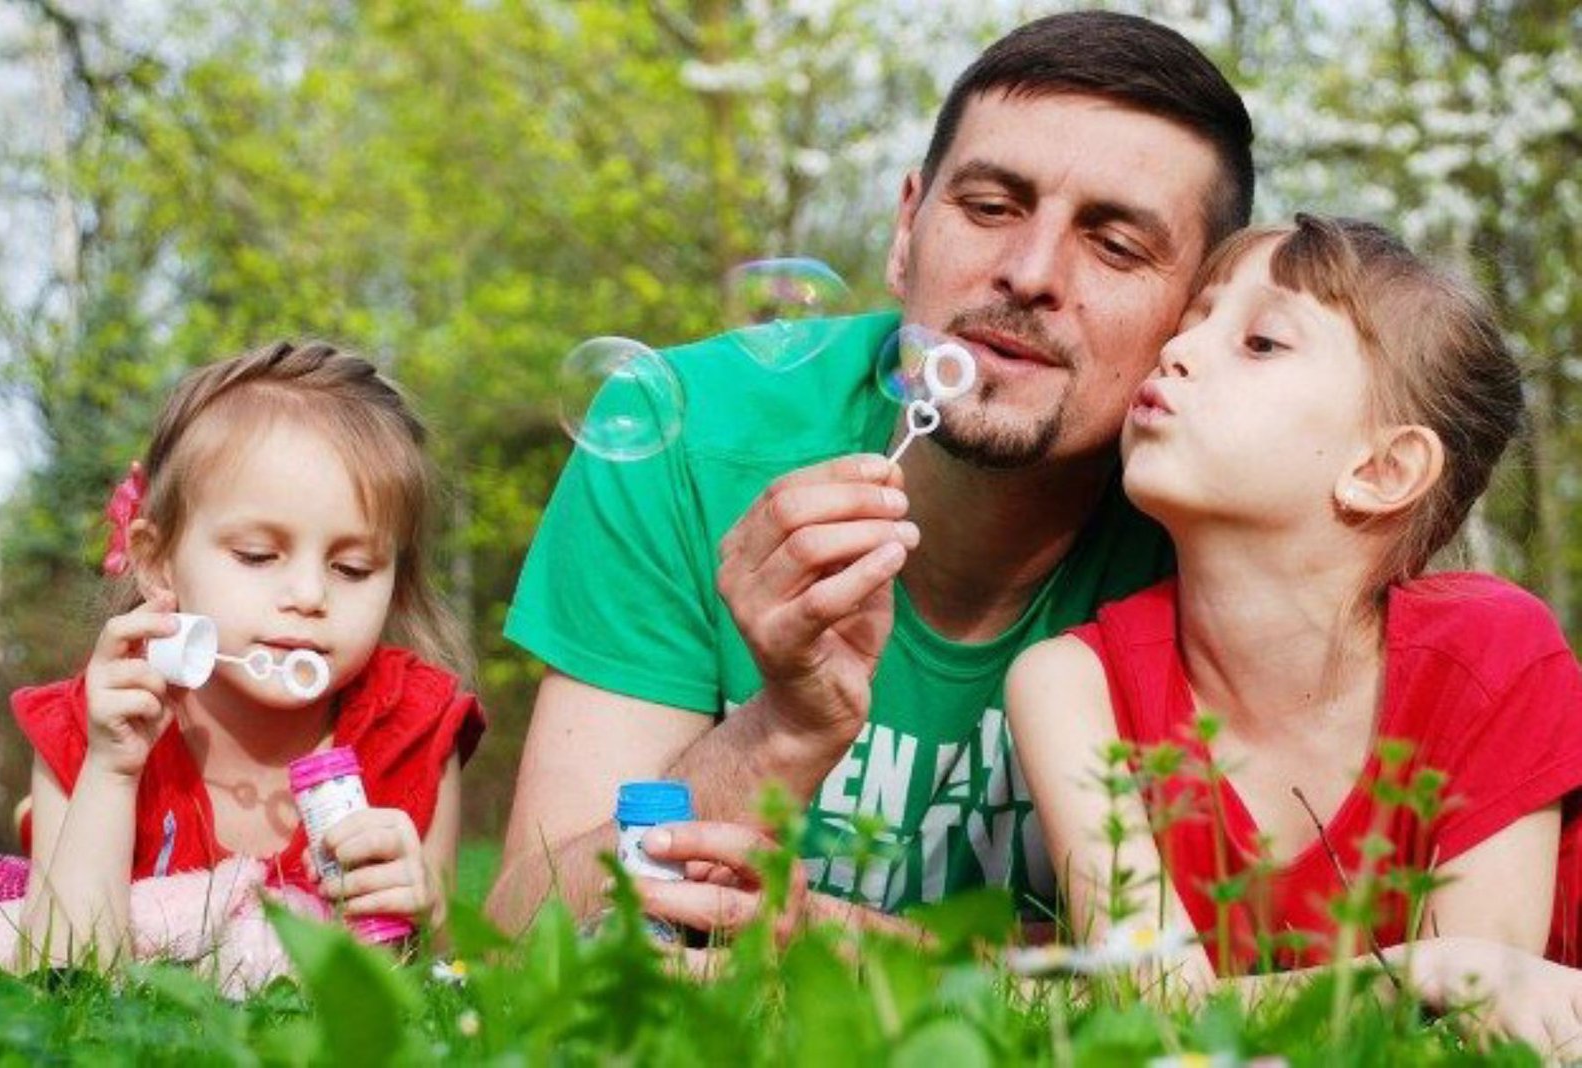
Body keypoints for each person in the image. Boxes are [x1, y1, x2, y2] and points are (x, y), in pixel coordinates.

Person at [488, 10, 1255, 934]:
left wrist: (855, 952)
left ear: (1197, 317)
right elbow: (524, 934)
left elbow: (1239, 975)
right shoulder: (678, 432)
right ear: (906, 230)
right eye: (989, 208)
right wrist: (782, 730)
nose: (1030, 271)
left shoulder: (1228, 519)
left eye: (1116, 245)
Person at [1005, 214, 1582, 1048]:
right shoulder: (1067, 682)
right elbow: (1154, 1005)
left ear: (1382, 470)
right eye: (1192, 319)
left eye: (1261, 342)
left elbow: (1477, 1030)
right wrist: (1423, 968)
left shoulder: (1492, 657)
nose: (1178, 350)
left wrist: (1458, 975)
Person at [0, 341, 484, 972]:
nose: (309, 596)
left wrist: (429, 916)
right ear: (156, 559)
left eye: (353, 567)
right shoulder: (92, 724)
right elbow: (61, 975)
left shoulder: (410, 731)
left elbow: (447, 985)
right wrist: (111, 773)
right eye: (257, 555)